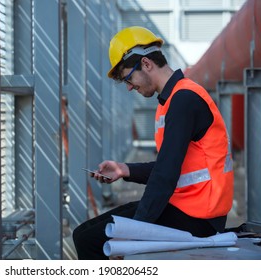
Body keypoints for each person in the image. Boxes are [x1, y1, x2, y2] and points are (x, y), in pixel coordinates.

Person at [72, 26, 234, 260]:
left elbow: (165, 176)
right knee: (84, 233)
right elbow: (172, 167)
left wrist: (132, 234)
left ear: (146, 64)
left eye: (129, 78)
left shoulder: (183, 100)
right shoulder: (171, 100)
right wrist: (124, 169)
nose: (129, 86)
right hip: (187, 206)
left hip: (199, 218)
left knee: (88, 240)